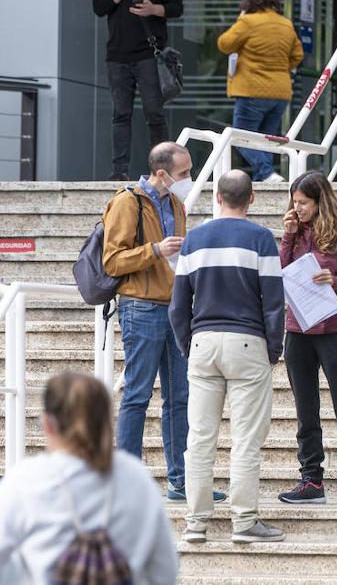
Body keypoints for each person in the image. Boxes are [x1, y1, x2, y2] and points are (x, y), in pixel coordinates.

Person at [0, 372, 179, 585]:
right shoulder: (136, 477)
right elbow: (165, 571)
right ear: (105, 420)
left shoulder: (25, 481)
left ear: (47, 424)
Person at [102, 141, 224, 504]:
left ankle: (182, 480)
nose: (189, 178)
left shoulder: (175, 202)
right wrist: (155, 250)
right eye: (184, 173)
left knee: (180, 397)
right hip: (141, 306)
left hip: (176, 307)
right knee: (137, 394)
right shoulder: (127, 201)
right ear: (161, 173)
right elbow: (112, 261)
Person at [170, 169, 286, 543]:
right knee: (246, 439)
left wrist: (190, 346)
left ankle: (196, 523)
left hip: (203, 343)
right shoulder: (261, 239)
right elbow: (273, 302)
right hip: (248, 343)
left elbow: (177, 307)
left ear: (216, 197)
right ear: (251, 199)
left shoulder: (194, 240)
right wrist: (272, 350)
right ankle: (244, 522)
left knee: (200, 438)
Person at [276, 170, 337, 505]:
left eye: (303, 203)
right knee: (306, 408)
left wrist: (334, 281)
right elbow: (281, 274)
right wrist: (287, 235)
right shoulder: (295, 231)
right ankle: (311, 479)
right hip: (297, 328)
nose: (297, 208)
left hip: (332, 327)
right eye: (294, 203)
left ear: (320, 201)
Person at [92, 0, 184, 181]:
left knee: (154, 114)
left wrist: (155, 9)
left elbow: (177, 7)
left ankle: (163, 171)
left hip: (149, 54)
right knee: (120, 114)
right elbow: (99, 6)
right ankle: (119, 172)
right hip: (117, 56)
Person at [217, 0, 303, 183]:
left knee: (240, 137)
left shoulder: (248, 22)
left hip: (252, 91)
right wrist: (281, 70)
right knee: (265, 139)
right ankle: (263, 178)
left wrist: (241, 18)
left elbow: (224, 44)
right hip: (280, 93)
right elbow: (297, 55)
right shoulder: (286, 24)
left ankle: (266, 173)